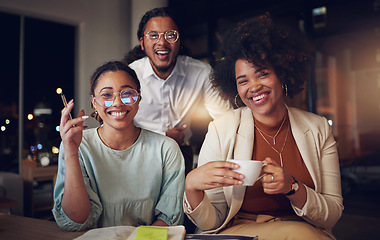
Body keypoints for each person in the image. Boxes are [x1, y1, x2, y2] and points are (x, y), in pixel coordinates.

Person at [184, 14, 343, 240]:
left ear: (282, 73)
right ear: (234, 88)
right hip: (240, 232)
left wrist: (293, 188)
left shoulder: (317, 128)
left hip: (302, 231)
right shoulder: (222, 129)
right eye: (243, 80)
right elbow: (213, 223)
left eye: (263, 74)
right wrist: (191, 188)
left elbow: (332, 215)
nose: (254, 87)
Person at [52, 61, 185, 231]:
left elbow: (169, 218)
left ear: (139, 98)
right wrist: (71, 151)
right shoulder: (76, 144)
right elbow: (76, 220)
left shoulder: (166, 148)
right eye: (107, 95)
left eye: (127, 93)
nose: (117, 103)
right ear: (94, 102)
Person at [124, 7, 232, 175]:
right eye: (153, 35)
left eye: (170, 35)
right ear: (142, 43)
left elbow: (224, 118)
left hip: (182, 154)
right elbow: (118, 124)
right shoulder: (128, 76)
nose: (162, 42)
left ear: (180, 41)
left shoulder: (201, 72)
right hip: (137, 151)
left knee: (181, 201)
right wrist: (162, 137)